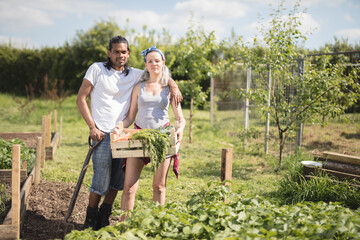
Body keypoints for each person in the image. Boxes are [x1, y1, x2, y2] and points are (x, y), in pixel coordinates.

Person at [76, 37, 182, 230]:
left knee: (120, 181)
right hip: (106, 133)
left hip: (140, 135)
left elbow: (158, 73)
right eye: (116, 51)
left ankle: (105, 217)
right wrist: (94, 127)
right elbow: (81, 98)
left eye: (124, 52)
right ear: (109, 52)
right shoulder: (98, 69)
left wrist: (173, 85)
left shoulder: (135, 75)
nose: (120, 55)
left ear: (128, 54)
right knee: (103, 181)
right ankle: (93, 218)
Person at [113, 46, 186, 221]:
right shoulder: (139, 87)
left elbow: (180, 118)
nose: (154, 64)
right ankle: (124, 227)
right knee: (129, 186)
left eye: (157, 60)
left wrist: (180, 129)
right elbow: (131, 116)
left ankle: (155, 225)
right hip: (139, 136)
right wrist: (119, 126)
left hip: (162, 138)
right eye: (150, 61)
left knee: (159, 186)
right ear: (145, 65)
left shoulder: (170, 89)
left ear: (163, 63)